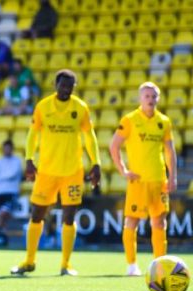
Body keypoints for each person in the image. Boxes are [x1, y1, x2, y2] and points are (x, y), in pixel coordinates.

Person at [11, 69, 101, 277]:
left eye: (70, 86)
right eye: (63, 85)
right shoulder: (43, 107)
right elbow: (33, 134)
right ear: (55, 85)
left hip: (72, 171)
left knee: (69, 218)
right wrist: (29, 159)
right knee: (37, 215)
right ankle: (29, 261)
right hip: (47, 171)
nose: (66, 89)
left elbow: (90, 136)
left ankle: (66, 264)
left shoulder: (80, 108)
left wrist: (96, 163)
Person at [109, 82, 177, 276]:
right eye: (147, 96)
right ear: (140, 98)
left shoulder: (164, 121)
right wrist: (123, 170)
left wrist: (173, 177)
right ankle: (132, 265)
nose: (150, 99)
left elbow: (170, 151)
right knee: (132, 222)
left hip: (158, 180)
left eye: (154, 96)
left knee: (159, 222)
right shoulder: (130, 120)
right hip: (138, 181)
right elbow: (114, 146)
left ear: (158, 98)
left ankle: (160, 265)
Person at [0, 140, 23, 233]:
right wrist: (4, 177)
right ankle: (2, 232)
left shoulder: (17, 161)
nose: (6, 150)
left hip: (11, 192)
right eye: (5, 148)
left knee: (5, 213)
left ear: (12, 149)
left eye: (8, 148)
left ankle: (1, 231)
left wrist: (1, 177)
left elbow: (12, 175)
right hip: (0, 192)